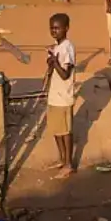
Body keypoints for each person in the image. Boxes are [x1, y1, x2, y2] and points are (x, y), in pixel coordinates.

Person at [45, 13, 76, 177]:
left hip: (64, 96)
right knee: (57, 129)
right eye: (52, 28)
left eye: (57, 28)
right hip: (54, 95)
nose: (54, 31)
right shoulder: (57, 47)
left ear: (66, 29)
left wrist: (55, 62)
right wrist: (50, 60)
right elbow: (52, 71)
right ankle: (62, 159)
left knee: (65, 131)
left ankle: (68, 163)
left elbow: (65, 74)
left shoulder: (67, 48)